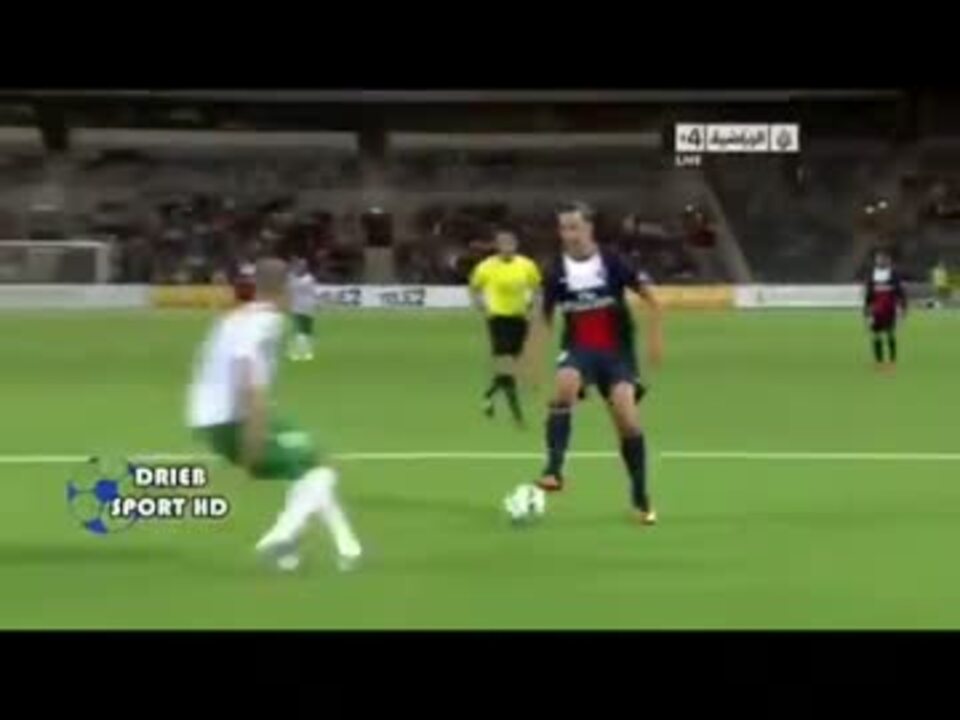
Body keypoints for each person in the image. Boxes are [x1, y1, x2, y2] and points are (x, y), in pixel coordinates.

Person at [186, 258, 362, 571]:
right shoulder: (267, 324)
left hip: (211, 416)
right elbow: (249, 380)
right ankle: (280, 536)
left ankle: (346, 547)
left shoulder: (237, 317)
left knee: (314, 463)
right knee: (317, 471)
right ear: (287, 289)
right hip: (233, 420)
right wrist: (252, 447)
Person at [523, 202, 663, 525]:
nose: (568, 234)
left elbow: (652, 299)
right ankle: (554, 470)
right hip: (579, 347)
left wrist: (655, 339)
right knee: (564, 386)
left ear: (589, 228)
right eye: (563, 228)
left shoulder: (612, 260)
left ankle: (640, 495)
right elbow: (542, 316)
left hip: (616, 352)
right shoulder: (555, 270)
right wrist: (532, 358)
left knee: (627, 421)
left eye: (574, 227)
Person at [469, 226, 542, 426]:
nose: (507, 248)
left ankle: (489, 395)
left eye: (510, 244)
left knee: (511, 368)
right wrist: (480, 304)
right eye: (503, 244)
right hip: (498, 319)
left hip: (520, 318)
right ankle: (517, 416)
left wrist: (534, 306)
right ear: (497, 246)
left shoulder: (527, 265)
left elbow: (536, 287)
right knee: (506, 365)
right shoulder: (486, 267)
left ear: (516, 245)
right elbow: (474, 287)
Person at [864, 249, 907, 371]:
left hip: (889, 310)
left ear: (887, 260)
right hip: (876, 311)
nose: (880, 261)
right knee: (876, 336)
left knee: (890, 335)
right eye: (878, 259)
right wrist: (866, 311)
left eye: (882, 259)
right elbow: (869, 295)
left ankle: (892, 362)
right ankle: (879, 362)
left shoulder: (893, 274)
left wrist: (903, 307)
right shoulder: (872, 274)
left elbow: (900, 292)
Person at [287, 257, 320, 361]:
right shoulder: (295, 278)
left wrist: (291, 275)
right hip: (298, 308)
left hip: (307, 308)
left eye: (302, 266)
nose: (300, 268)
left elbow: (296, 286)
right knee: (299, 332)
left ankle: (306, 352)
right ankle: (298, 352)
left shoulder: (308, 279)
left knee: (306, 332)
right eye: (299, 266)